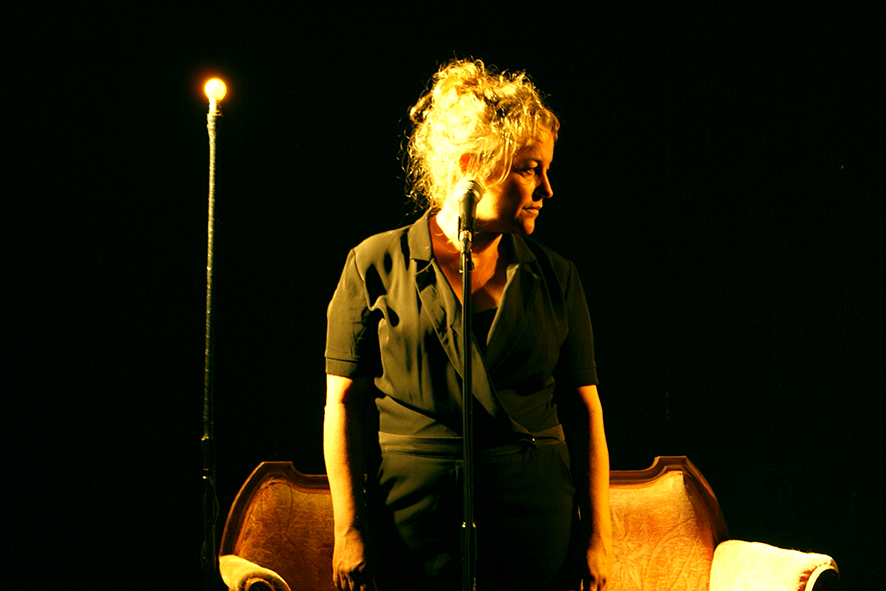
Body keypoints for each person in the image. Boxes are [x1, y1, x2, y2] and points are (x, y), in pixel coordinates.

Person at [323, 59, 612, 591]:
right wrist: (349, 530)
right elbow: (343, 406)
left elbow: (583, 408)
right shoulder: (374, 264)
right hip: (413, 528)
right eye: (530, 169)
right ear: (469, 167)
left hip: (534, 531)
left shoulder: (556, 275)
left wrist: (598, 537)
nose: (547, 189)